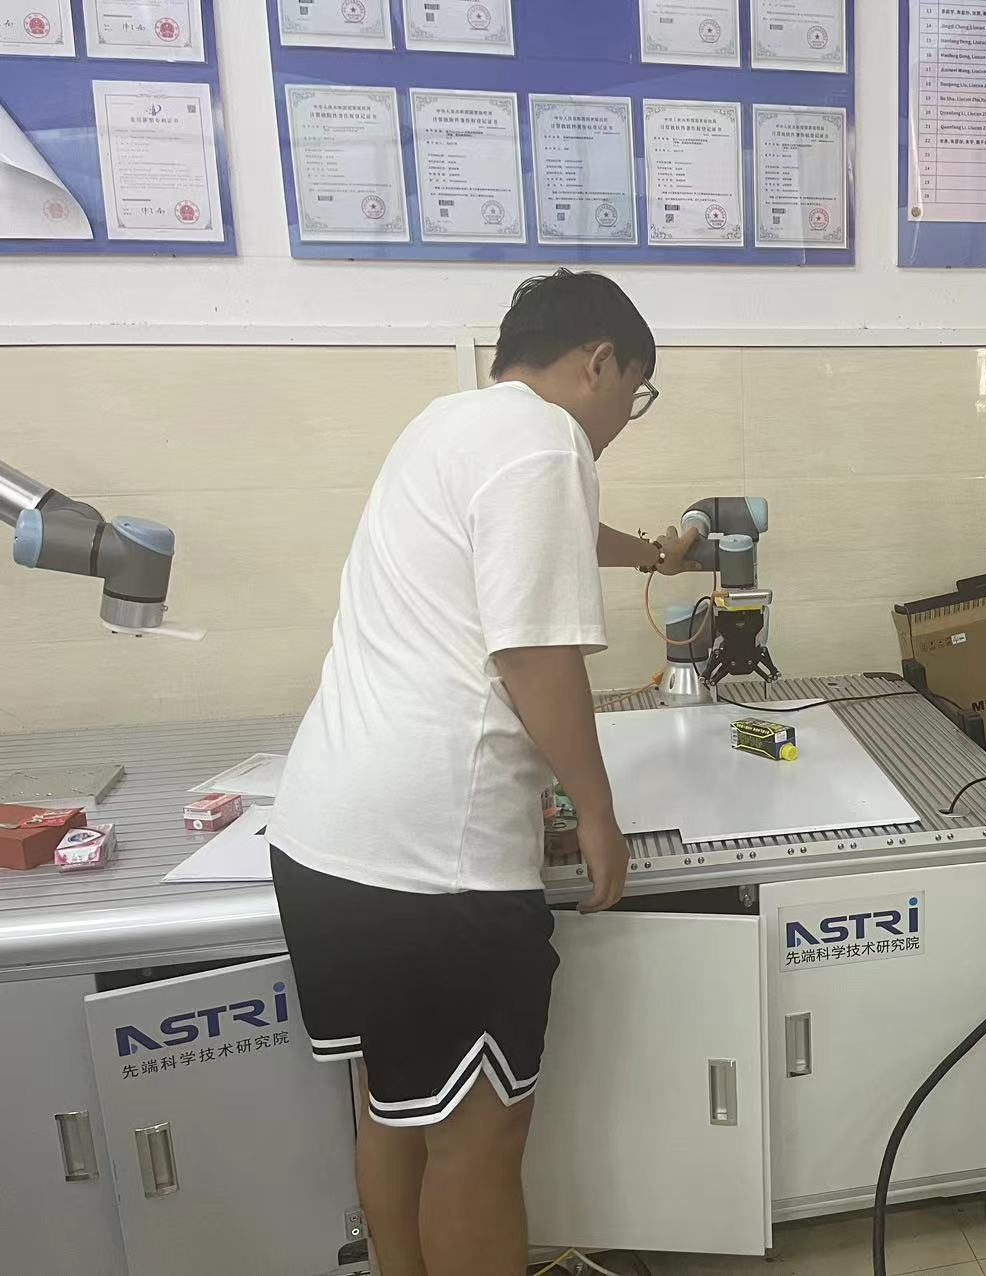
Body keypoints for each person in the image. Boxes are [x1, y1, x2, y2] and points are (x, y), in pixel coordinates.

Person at [268, 269, 700, 1275]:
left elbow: (546, 536)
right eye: (634, 394)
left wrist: (652, 554)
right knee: (479, 1139)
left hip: (326, 845)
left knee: (394, 1112)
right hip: (434, 871)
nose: (622, 421)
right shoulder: (546, 444)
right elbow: (534, 655)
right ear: (599, 362)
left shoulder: (448, 424)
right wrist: (596, 811)